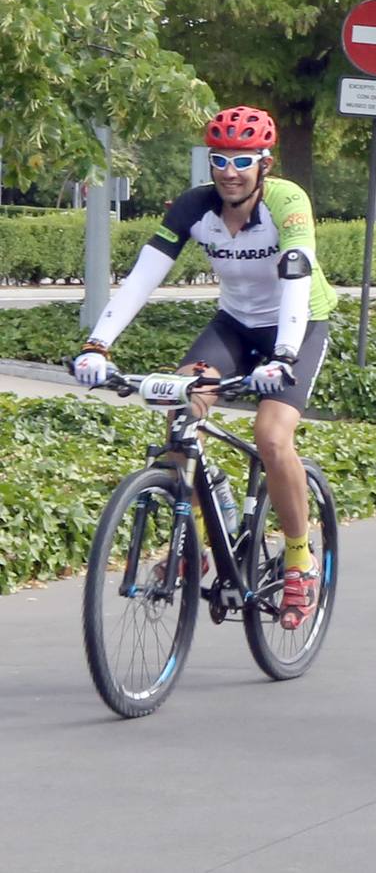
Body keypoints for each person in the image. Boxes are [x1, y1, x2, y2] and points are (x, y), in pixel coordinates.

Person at [72, 105, 337, 630]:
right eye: (219, 158)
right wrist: (97, 344)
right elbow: (144, 277)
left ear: (265, 162)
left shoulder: (287, 201)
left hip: (299, 325)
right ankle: (197, 535)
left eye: (242, 160)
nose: (229, 171)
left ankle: (299, 558)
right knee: (180, 414)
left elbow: (297, 281)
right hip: (234, 326)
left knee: (272, 436)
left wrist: (284, 356)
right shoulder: (196, 206)